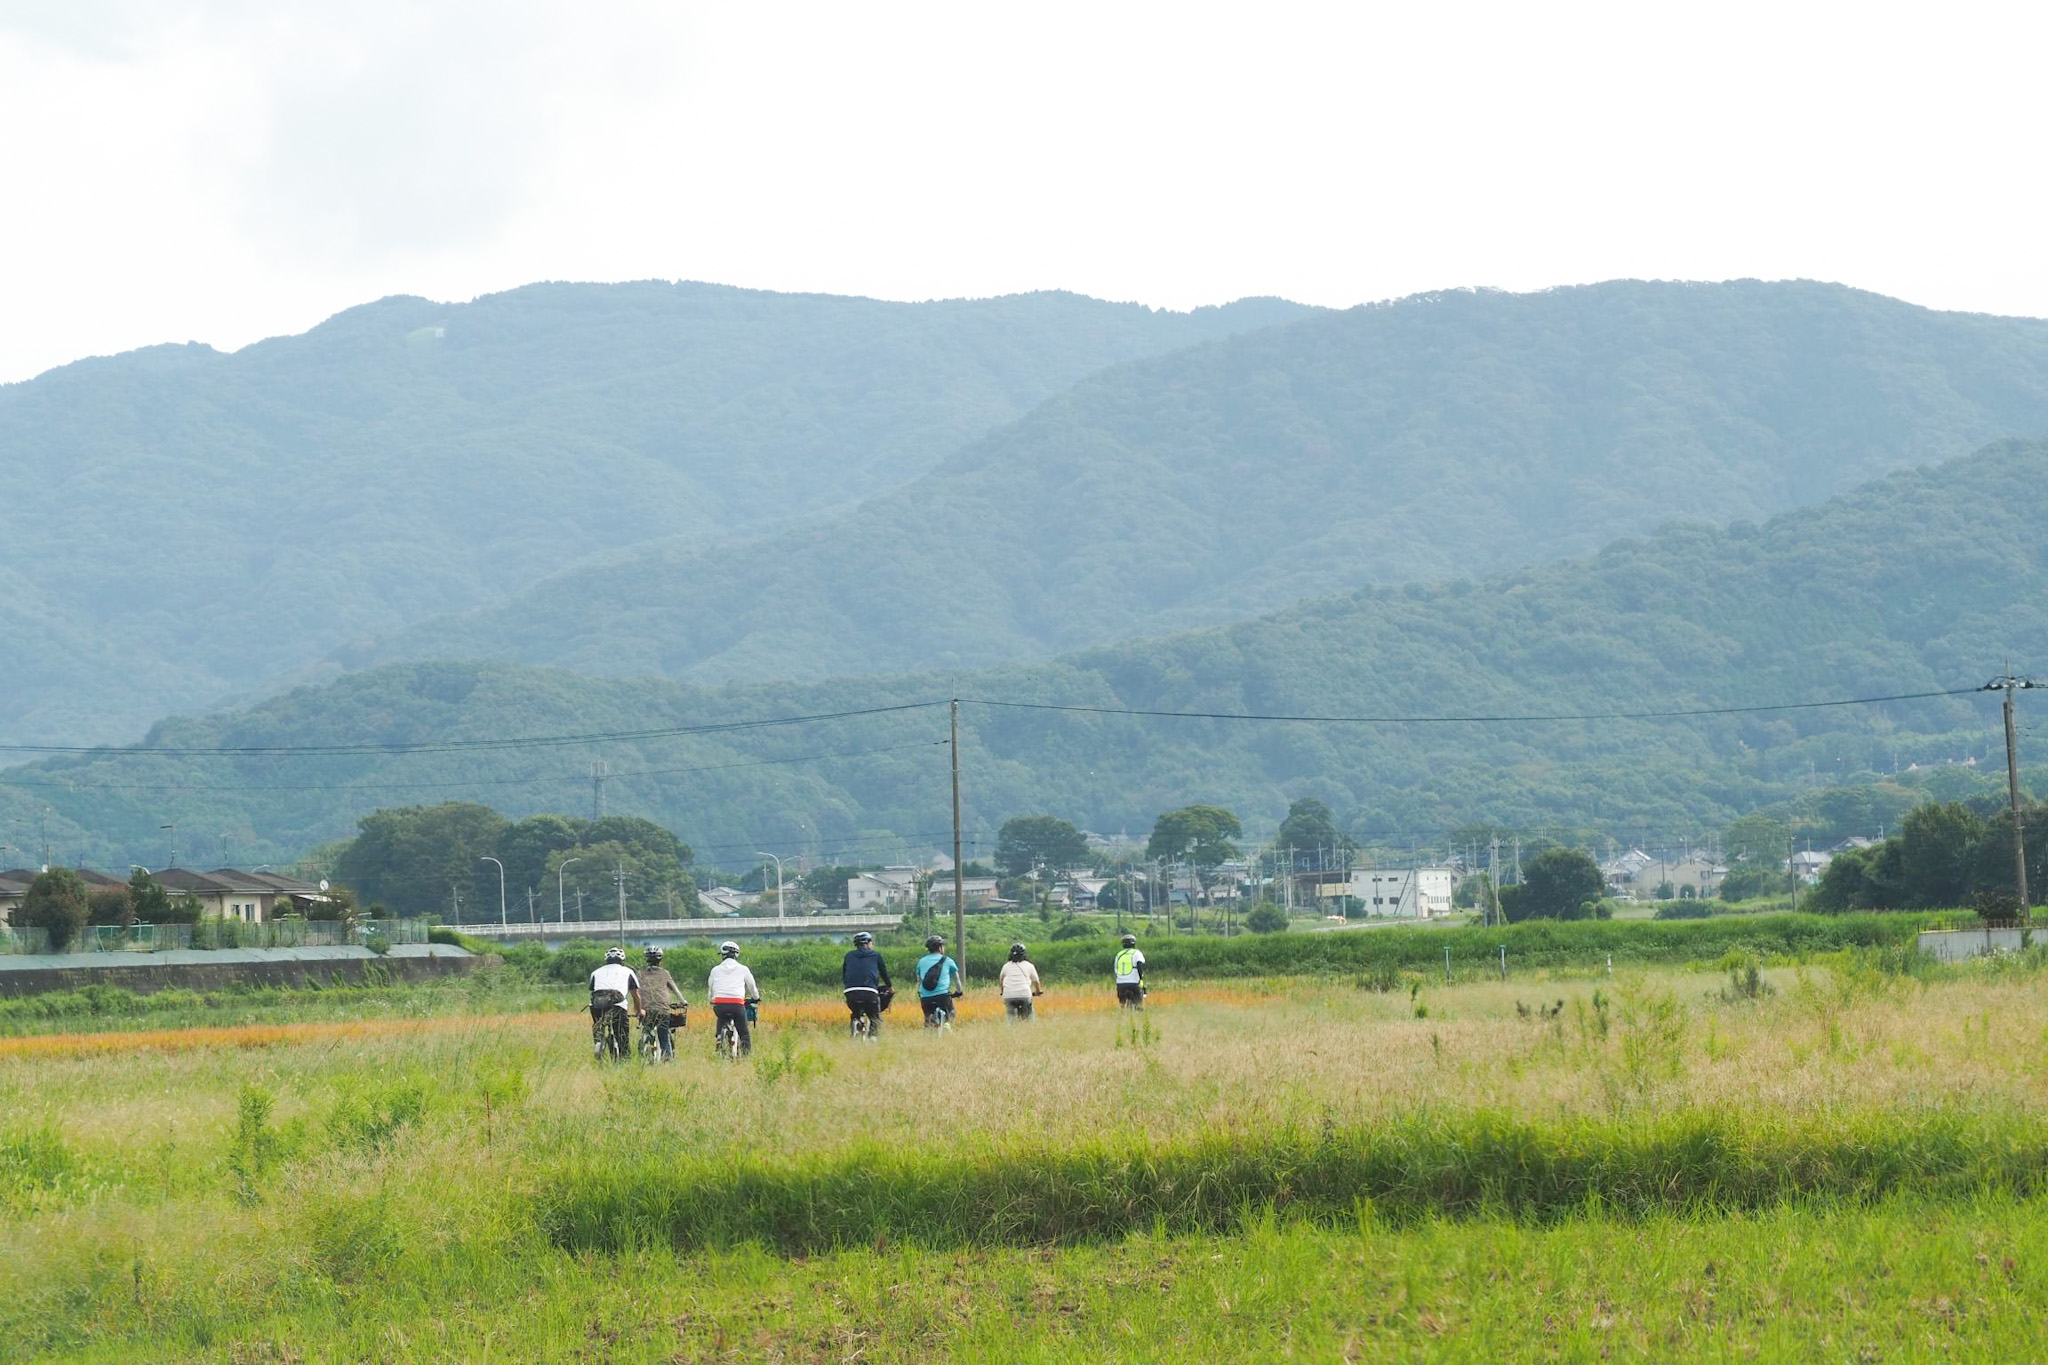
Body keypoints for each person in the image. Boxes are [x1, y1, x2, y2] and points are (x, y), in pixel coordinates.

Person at [707, 940, 760, 1056]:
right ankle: (746, 1057)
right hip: (737, 1004)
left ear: (722, 955)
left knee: (721, 1017)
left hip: (719, 1004)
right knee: (744, 1033)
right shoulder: (743, 969)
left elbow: (710, 990)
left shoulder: (715, 970)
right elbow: (752, 987)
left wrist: (711, 999)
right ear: (736, 955)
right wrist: (756, 998)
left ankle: (720, 1037)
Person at [588, 945, 640, 1060]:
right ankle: (624, 1059)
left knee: (599, 1025)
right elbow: (636, 995)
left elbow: (592, 990)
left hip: (596, 1004)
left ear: (606, 960)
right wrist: (638, 1010)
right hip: (617, 1004)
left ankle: (599, 1041)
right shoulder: (628, 971)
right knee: (622, 1036)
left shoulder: (595, 972)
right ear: (622, 960)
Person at [637, 946, 688, 1061]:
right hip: (662, 1010)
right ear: (660, 959)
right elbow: (675, 989)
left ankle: (645, 1043)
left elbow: (635, 990)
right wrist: (683, 1001)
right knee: (663, 1036)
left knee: (646, 1027)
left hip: (645, 1010)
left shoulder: (640, 974)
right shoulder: (665, 973)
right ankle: (667, 1059)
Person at [841, 930, 893, 1037]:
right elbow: (884, 973)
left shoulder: (848, 956)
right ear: (868, 943)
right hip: (869, 992)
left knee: (855, 1012)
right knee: (874, 1017)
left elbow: (844, 974)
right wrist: (890, 987)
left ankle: (855, 1025)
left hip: (850, 992)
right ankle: (873, 1038)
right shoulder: (876, 955)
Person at [913, 933, 963, 1028]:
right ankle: (947, 1024)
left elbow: (919, 981)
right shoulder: (948, 961)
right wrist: (959, 992)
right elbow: (957, 980)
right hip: (943, 996)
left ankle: (928, 1029)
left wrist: (920, 993)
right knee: (951, 1011)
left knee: (928, 1017)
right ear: (940, 948)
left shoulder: (921, 962)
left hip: (925, 997)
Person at [996, 942, 1042, 1021]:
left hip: (1008, 995)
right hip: (1024, 994)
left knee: (1010, 1015)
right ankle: (1029, 1028)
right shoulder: (1029, 965)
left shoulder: (1006, 966)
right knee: (1028, 1015)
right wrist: (1038, 991)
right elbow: (1036, 982)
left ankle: (1010, 1028)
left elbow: (1001, 980)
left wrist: (1002, 992)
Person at [1113, 933, 1146, 1009]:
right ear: (1134, 944)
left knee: (1123, 1005)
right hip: (1133, 983)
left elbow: (1115, 969)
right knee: (1138, 1004)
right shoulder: (1137, 953)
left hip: (1120, 983)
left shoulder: (1119, 955)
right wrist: (1141, 979)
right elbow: (1139, 966)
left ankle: (1124, 1016)